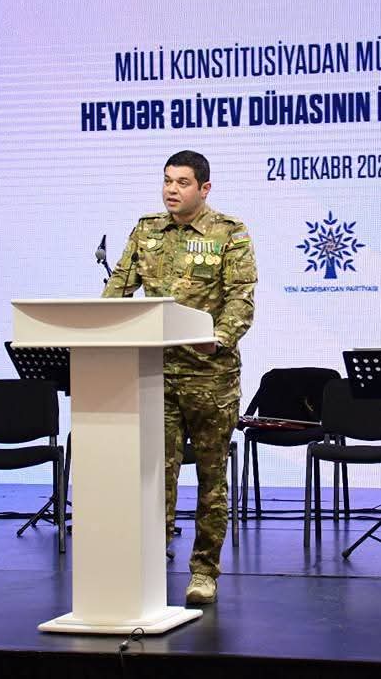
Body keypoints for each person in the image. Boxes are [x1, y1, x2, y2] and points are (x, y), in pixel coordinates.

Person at [102, 150, 256, 605]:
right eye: (167, 180)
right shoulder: (146, 230)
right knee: (155, 476)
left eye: (182, 182)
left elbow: (241, 298)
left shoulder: (230, 232)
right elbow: (117, 290)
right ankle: (151, 562)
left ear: (204, 188)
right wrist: (97, 325)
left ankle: (204, 572)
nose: (171, 190)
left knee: (211, 479)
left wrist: (219, 338)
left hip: (211, 377)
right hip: (157, 374)